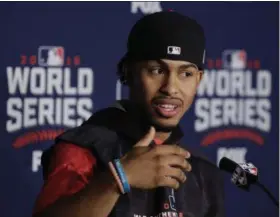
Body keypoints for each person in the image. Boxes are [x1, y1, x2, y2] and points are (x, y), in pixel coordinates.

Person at [33, 11, 225, 217]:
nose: (171, 88)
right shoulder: (84, 149)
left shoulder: (202, 171)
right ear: (128, 72)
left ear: (199, 79)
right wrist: (117, 179)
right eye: (156, 70)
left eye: (185, 74)